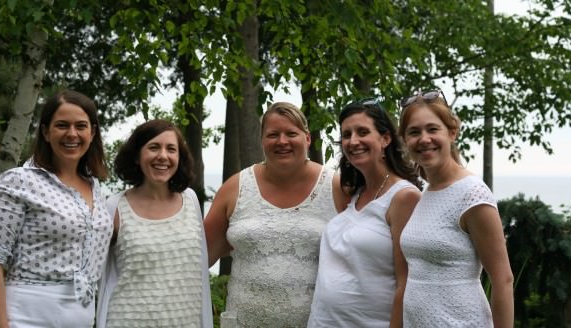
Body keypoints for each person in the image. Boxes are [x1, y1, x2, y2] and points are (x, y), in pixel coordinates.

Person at [204, 101, 349, 328]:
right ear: (262, 141)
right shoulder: (235, 187)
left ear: (307, 138)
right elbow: (201, 257)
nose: (282, 141)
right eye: (273, 134)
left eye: (291, 133)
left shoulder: (336, 187)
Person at [0, 89, 112, 328]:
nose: (72, 134)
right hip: (26, 318)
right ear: (46, 132)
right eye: (62, 125)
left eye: (81, 126)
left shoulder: (96, 189)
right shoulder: (19, 181)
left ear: (92, 133)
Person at [398, 89, 514, 327]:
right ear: (405, 140)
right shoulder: (426, 194)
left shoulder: (472, 194)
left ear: (452, 132)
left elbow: (503, 279)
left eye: (432, 129)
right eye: (414, 132)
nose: (424, 139)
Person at [307, 99, 422, 328]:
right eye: (346, 134)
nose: (353, 141)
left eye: (362, 132)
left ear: (385, 138)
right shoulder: (354, 193)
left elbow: (407, 281)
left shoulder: (403, 197)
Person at [96, 119, 213, 328]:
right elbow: (95, 274)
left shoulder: (191, 201)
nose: (163, 156)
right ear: (136, 156)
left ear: (179, 157)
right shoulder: (114, 207)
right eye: (153, 147)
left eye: (171, 149)